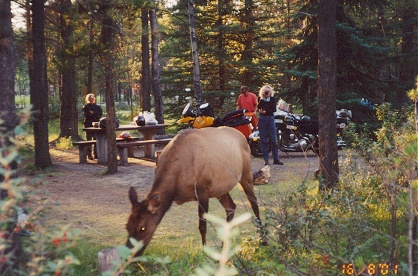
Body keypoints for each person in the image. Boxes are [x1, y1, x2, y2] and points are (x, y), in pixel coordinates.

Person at [257, 85, 283, 166]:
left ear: (270, 92)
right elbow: (259, 107)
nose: (266, 93)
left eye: (268, 91)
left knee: (273, 140)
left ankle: (276, 159)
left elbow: (273, 109)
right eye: (265, 91)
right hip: (262, 119)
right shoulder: (260, 99)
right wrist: (262, 99)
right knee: (263, 140)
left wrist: (266, 110)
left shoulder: (272, 99)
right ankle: (266, 159)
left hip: (270, 119)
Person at [82, 93, 102, 160]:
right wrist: (94, 114)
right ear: (88, 99)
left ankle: (96, 154)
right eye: (90, 98)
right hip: (88, 125)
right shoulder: (86, 107)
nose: (92, 100)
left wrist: (93, 113)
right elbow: (87, 115)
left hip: (96, 126)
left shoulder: (97, 107)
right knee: (89, 140)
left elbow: (100, 114)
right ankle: (89, 155)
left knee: (96, 140)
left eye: (93, 98)